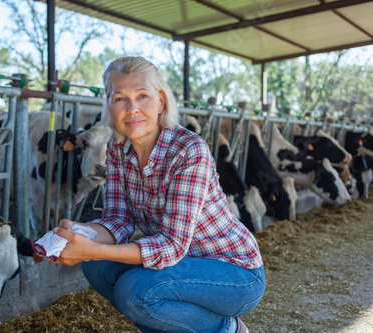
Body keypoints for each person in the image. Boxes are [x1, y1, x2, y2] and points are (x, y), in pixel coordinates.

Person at [50, 56, 265, 333]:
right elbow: (118, 220)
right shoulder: (117, 147)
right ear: (109, 105)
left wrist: (94, 248)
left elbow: (172, 245)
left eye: (143, 96)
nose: (132, 109)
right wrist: (82, 233)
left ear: (161, 101)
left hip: (233, 272)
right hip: (178, 267)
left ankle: (226, 329)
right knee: (96, 266)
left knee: (136, 291)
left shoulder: (189, 149)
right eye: (120, 99)